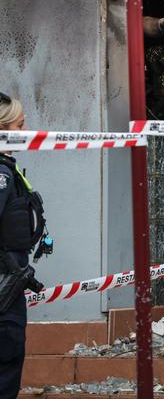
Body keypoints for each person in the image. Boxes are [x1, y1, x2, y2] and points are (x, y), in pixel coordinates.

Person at [0, 92, 47, 399]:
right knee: (6, 358)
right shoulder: (2, 174)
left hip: (10, 280)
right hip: (4, 283)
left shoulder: (8, 169)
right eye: (20, 125)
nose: (25, 131)